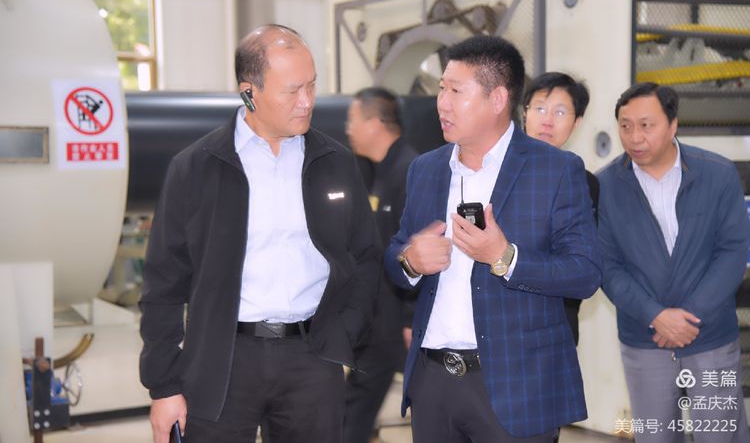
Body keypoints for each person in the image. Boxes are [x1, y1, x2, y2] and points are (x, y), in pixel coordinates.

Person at [139, 24, 381, 443]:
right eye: (292, 90)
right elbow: (163, 284)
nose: (307, 101)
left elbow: (365, 257)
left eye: (312, 85)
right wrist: (164, 386)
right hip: (222, 360)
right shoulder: (195, 168)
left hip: (312, 358)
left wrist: (344, 331)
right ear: (249, 92)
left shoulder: (336, 163)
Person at [384, 35, 602, 443]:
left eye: (456, 91)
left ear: (498, 98)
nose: (442, 103)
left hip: (517, 384)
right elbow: (395, 253)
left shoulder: (555, 170)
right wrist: (410, 260)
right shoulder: (425, 169)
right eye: (441, 89)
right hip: (433, 381)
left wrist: (505, 257)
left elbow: (585, 273)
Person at [598, 82, 750, 443]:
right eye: (625, 126)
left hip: (709, 335)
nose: (635, 137)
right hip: (644, 337)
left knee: (720, 433)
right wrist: (656, 315)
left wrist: (690, 316)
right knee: (655, 435)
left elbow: (733, 251)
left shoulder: (717, 174)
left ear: (673, 125)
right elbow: (606, 265)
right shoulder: (605, 186)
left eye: (646, 125)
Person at [343, 87, 418, 443]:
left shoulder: (409, 173)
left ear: (374, 123)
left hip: (398, 322)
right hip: (376, 319)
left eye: (352, 121)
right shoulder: (376, 172)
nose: (348, 129)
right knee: (353, 409)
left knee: (355, 411)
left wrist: (410, 318)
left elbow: (418, 249)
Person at [522, 72, 599, 345]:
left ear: (576, 122)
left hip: (557, 326)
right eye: (540, 108)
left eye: (560, 112)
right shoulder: (493, 170)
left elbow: (581, 265)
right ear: (525, 112)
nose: (547, 120)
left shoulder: (584, 183)